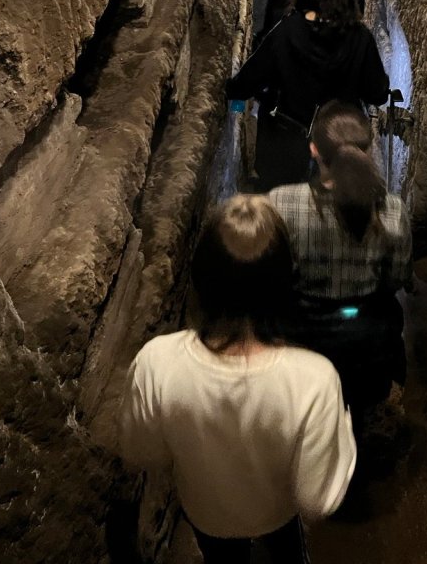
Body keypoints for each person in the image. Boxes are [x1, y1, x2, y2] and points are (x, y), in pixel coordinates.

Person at [120, 194, 356, 564]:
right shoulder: (314, 381)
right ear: (284, 285)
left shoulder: (156, 363)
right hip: (277, 513)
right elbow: (318, 499)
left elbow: (142, 451)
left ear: (201, 280)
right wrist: (344, 431)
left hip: (207, 514)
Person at [269, 101, 413, 425]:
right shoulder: (392, 210)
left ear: (314, 150)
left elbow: (274, 275)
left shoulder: (281, 202)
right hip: (366, 337)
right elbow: (397, 278)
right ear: (369, 148)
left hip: (303, 332)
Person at [227, 0, 389, 190]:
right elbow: (377, 92)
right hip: (340, 149)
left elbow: (247, 82)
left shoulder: (287, 32)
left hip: (288, 151)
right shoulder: (359, 37)